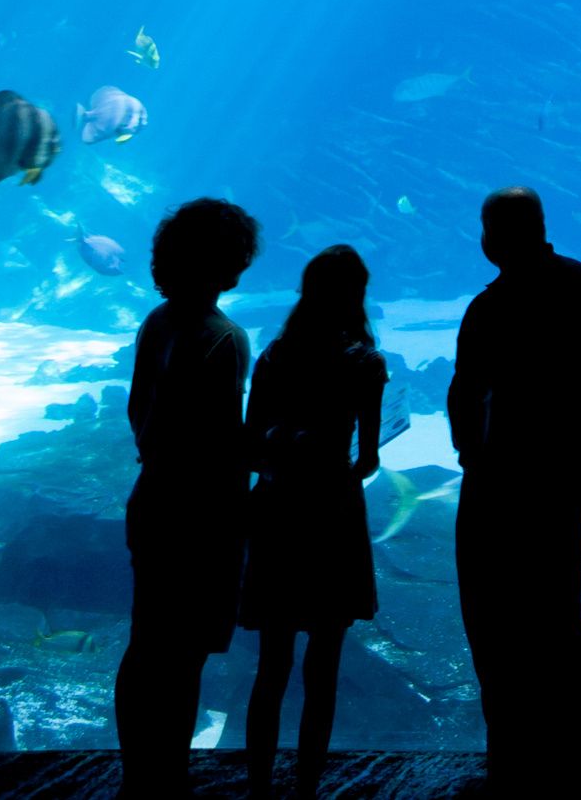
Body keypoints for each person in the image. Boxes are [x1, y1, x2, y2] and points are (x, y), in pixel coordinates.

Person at [447, 186, 581, 792]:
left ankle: (513, 761)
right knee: (557, 609)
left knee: (494, 609)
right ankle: (579, 761)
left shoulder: (490, 306)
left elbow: (464, 392)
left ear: (492, 239)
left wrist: (470, 456)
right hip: (569, 458)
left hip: (503, 466)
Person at [118, 197, 262, 797]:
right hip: (202, 514)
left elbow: (139, 412)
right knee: (183, 659)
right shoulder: (223, 339)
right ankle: (168, 780)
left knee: (148, 645)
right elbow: (224, 443)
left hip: (153, 496)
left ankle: (140, 777)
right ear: (230, 264)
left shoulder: (157, 322)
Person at [241, 243, 388, 800]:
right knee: (323, 666)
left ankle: (258, 787)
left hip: (278, 509)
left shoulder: (274, 355)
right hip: (333, 514)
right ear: (358, 295)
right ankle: (305, 790)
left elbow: (251, 442)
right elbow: (368, 459)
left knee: (272, 665)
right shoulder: (365, 364)